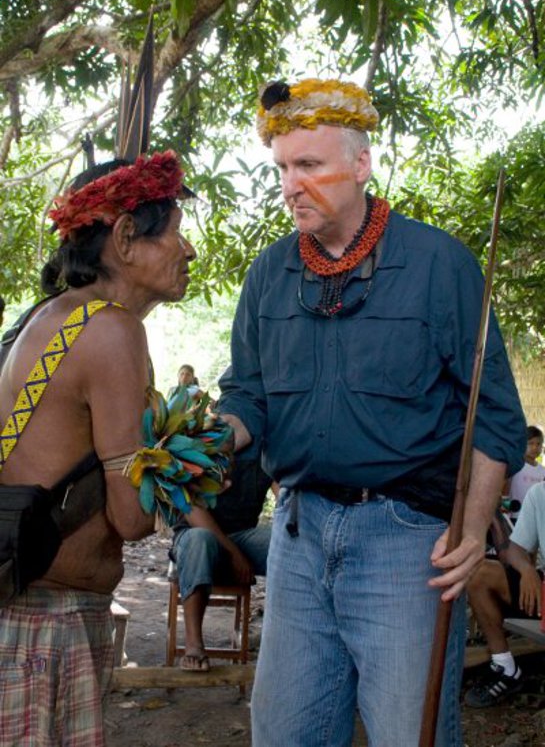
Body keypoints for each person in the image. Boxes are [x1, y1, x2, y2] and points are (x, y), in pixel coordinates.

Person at [217, 77, 527, 747]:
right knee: (284, 734)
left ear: (360, 166)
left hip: (406, 543)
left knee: (404, 735)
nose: (291, 185)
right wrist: (216, 436)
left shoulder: (438, 265)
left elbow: (495, 416)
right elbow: (247, 395)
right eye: (281, 169)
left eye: (309, 166)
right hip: (296, 539)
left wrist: (472, 531)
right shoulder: (268, 274)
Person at [0, 149, 196, 747]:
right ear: (126, 236)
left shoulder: (50, 317)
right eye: (176, 236)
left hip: (22, 610)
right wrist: (185, 461)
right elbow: (132, 518)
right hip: (47, 626)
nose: (187, 252)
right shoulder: (112, 328)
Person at [169, 448, 273, 670]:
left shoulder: (264, 444)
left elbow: (285, 492)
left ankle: (287, 642)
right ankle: (194, 644)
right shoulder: (198, 441)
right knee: (200, 539)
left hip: (243, 537)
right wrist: (234, 554)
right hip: (194, 537)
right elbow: (190, 508)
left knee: (284, 541)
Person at [465, 481, 544, 708]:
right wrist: (527, 570)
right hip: (542, 591)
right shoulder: (539, 493)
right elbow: (516, 549)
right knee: (479, 573)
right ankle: (505, 667)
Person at [507, 424, 544, 521]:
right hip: (516, 516)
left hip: (536, 518)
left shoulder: (542, 471)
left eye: (538, 444)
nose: (535, 447)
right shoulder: (515, 466)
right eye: (530, 443)